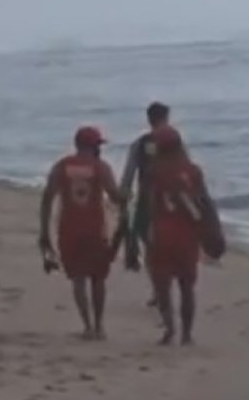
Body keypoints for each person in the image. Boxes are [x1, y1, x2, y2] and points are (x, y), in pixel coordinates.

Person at [39, 125, 125, 340]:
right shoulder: (100, 167)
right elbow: (115, 196)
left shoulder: (61, 166)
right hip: (95, 229)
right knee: (98, 279)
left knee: (78, 279)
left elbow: (47, 198)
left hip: (69, 229)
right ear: (95, 146)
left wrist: (44, 231)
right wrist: (128, 195)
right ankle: (99, 326)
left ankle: (87, 326)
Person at [147, 125, 214, 346]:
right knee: (187, 287)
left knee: (163, 287)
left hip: (162, 234)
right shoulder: (194, 171)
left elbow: (149, 205)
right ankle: (186, 334)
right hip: (187, 236)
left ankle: (169, 329)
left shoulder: (154, 171)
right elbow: (204, 202)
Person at [120, 101, 170, 292]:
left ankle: (158, 288)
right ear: (166, 119)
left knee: (150, 248)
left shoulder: (139, 144)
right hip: (171, 201)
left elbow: (128, 175)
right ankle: (163, 285)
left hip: (147, 202)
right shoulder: (174, 143)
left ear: (149, 120)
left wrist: (123, 198)